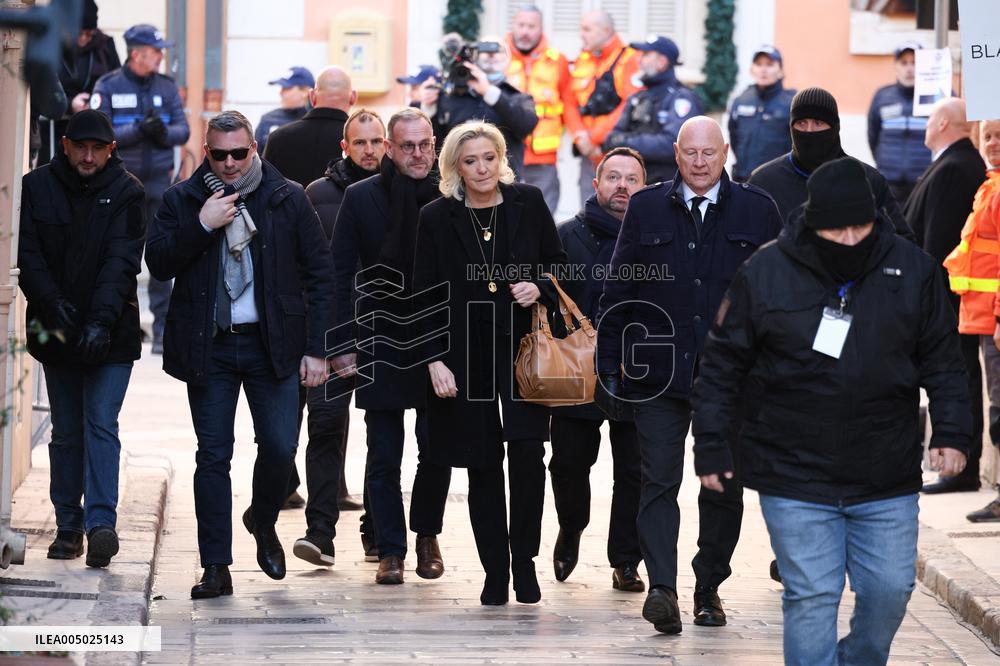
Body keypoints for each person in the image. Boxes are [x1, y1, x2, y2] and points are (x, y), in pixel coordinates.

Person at [692, 156, 971, 666]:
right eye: (835, 228)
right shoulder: (767, 271)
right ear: (812, 219)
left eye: (858, 226)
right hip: (793, 471)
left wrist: (952, 433)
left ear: (875, 217)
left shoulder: (913, 271)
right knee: (812, 595)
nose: (848, 238)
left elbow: (946, 362)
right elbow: (722, 365)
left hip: (884, 469)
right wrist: (711, 445)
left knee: (889, 590)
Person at [595, 116, 782, 634]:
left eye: (710, 153)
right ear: (676, 154)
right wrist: (608, 364)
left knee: (722, 485)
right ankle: (662, 588)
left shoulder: (758, 211)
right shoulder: (648, 207)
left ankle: (708, 587)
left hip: (731, 380)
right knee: (657, 481)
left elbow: (781, 295)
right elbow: (619, 289)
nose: (700, 164)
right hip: (659, 374)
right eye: (691, 153)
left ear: (725, 153)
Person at [145, 110, 334, 599]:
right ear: (207, 151)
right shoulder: (183, 199)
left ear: (254, 149)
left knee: (278, 447)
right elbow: (160, 263)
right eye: (219, 154)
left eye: (239, 153)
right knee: (213, 456)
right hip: (210, 346)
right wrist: (202, 225)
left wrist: (317, 350)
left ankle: (263, 518)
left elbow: (320, 273)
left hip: (273, 344)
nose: (229, 164)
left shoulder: (287, 196)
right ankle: (215, 566)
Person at [413, 120, 566, 605]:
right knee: (481, 463)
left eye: (489, 158)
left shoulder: (529, 202)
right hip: (464, 354)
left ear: (502, 159)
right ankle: (494, 571)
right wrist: (434, 359)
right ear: (455, 166)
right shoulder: (437, 217)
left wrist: (538, 284)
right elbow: (424, 295)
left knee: (527, 457)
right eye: (470, 160)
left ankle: (524, 563)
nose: (482, 168)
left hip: (524, 351)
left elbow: (559, 265)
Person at [18, 110, 145, 569]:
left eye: (98, 149)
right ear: (66, 144)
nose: (88, 157)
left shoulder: (127, 191)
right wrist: (50, 302)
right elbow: (26, 252)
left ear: (111, 150)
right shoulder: (38, 187)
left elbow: (122, 261)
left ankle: (100, 524)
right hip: (57, 328)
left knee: (100, 423)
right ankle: (69, 524)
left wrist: (101, 322)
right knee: (67, 430)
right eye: (80, 147)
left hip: (112, 332)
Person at [330, 108, 452, 585]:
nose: (418, 154)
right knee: (384, 452)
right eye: (407, 146)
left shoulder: (452, 192)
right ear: (389, 148)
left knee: (436, 449)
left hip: (440, 341)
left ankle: (426, 536)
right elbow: (339, 273)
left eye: (425, 145)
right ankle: (390, 549)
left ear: (435, 144)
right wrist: (341, 343)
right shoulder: (362, 198)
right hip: (380, 337)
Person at [292, 108, 388, 565]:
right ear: (344, 146)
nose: (369, 150)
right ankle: (320, 531)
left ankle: (376, 530)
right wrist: (326, 344)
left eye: (376, 141)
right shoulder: (318, 194)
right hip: (333, 334)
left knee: (382, 436)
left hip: (387, 338)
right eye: (360, 142)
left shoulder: (402, 193)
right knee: (325, 428)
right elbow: (312, 274)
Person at [547, 147, 645, 592]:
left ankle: (626, 559)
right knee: (568, 465)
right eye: (614, 178)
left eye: (632, 180)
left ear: (645, 189)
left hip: (637, 371)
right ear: (596, 183)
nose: (622, 186)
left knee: (634, 470)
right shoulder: (566, 237)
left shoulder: (655, 238)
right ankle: (571, 527)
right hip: (574, 371)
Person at [904, 98, 987, 496]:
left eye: (928, 118)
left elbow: (937, 243)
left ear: (941, 122)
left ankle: (961, 468)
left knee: (960, 377)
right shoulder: (951, 162)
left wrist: (927, 302)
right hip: (952, 299)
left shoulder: (956, 167)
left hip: (951, 301)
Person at [91, 24, 190, 356]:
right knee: (118, 256)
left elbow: (182, 130)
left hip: (160, 184)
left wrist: (162, 133)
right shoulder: (108, 85)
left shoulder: (166, 86)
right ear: (137, 54)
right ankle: (119, 327)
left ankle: (162, 331)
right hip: (120, 187)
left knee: (160, 259)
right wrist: (137, 129)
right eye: (156, 51)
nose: (161, 56)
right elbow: (99, 132)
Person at [749, 87, 913, 239]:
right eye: (801, 123)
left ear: (834, 128)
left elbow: (902, 243)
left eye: (818, 123)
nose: (809, 131)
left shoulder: (868, 180)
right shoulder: (763, 182)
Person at [943, 118, 1000, 523]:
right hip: (983, 320)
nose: (994, 143)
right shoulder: (988, 187)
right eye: (988, 136)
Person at [505, 4, 584, 213]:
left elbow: (569, 103)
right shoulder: (498, 57)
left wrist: (580, 135)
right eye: (521, 25)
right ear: (513, 25)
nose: (525, 31)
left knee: (542, 216)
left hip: (542, 157)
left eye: (531, 26)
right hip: (504, 152)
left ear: (541, 28)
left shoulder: (557, 61)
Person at [421, 37, 538, 178]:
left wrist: (489, 92)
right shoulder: (451, 98)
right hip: (459, 184)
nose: (491, 55)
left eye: (497, 51)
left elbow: (526, 126)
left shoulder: (516, 97)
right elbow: (435, 145)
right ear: (473, 56)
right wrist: (429, 109)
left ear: (508, 60)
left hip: (506, 184)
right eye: (484, 50)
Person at [602, 35, 702, 185]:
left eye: (646, 55)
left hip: (667, 189)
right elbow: (611, 139)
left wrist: (626, 142)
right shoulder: (637, 98)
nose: (639, 60)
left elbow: (673, 145)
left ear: (662, 62)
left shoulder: (680, 98)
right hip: (635, 187)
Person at [570, 11, 641, 206]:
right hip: (588, 153)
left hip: (617, 152)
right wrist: (580, 137)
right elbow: (570, 102)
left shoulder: (629, 59)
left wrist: (594, 138)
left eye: (587, 29)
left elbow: (630, 104)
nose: (582, 34)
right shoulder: (583, 59)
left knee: (621, 213)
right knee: (587, 211)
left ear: (606, 30)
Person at [37, 0, 120, 167]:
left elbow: (116, 81)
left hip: (95, 129)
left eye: (88, 34)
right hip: (55, 129)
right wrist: (69, 104)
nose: (82, 39)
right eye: (78, 33)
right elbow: (41, 85)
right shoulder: (49, 43)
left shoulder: (103, 45)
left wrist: (97, 100)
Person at [264, 66, 356, 188]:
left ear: (312, 97)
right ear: (353, 97)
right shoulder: (363, 142)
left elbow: (264, 189)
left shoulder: (277, 138)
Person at [868, 41, 932, 205]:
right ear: (896, 66)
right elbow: (873, 136)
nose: (909, 68)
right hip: (888, 183)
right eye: (904, 63)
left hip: (924, 183)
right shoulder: (882, 96)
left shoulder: (937, 96)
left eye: (915, 62)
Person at [727, 45, 795, 181]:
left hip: (778, 181)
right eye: (758, 64)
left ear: (780, 70)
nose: (763, 69)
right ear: (752, 70)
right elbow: (734, 137)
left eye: (770, 64)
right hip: (744, 179)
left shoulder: (791, 103)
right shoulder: (741, 100)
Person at [255, 66, 314, 156]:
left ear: (305, 91)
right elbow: (256, 159)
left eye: (286, 88)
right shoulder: (268, 119)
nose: (280, 92)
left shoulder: (317, 120)